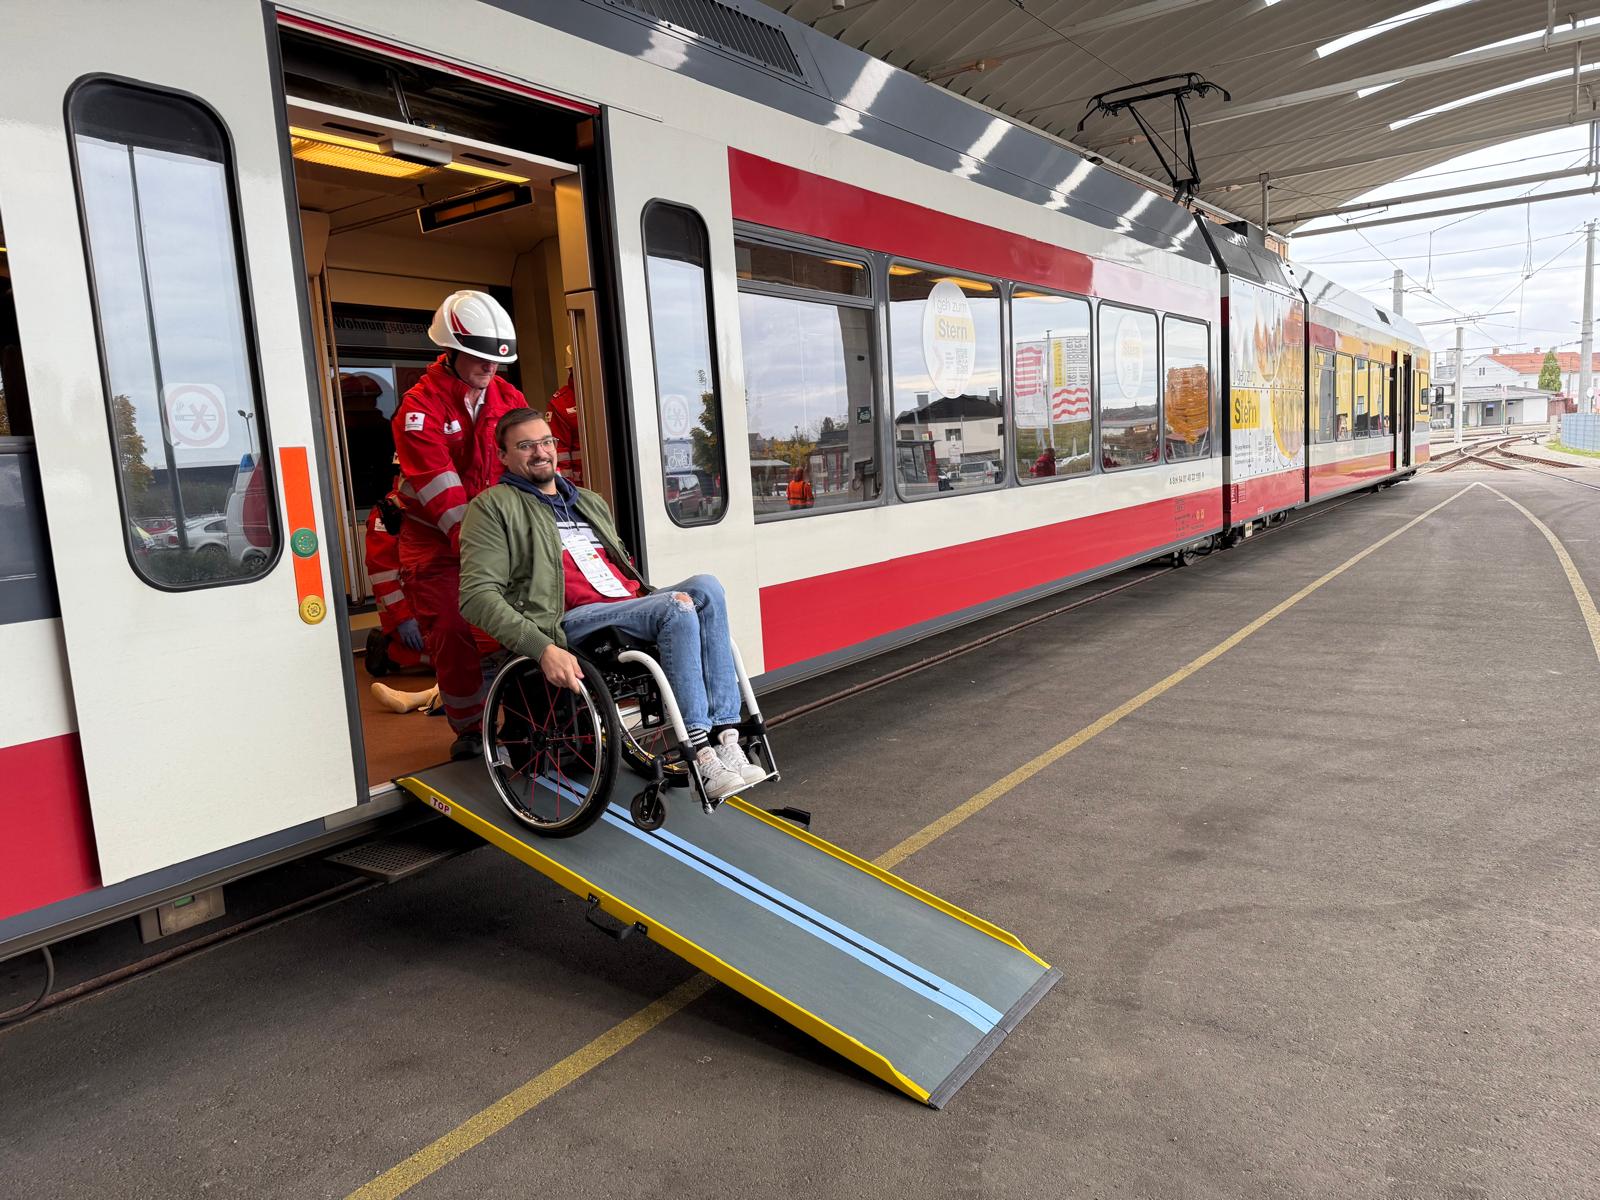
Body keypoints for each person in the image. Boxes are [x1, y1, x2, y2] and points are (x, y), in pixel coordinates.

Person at [459, 408, 766, 801]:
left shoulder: (588, 501)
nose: (541, 452)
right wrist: (541, 646)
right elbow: (476, 596)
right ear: (503, 455)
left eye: (546, 441)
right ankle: (701, 755)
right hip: (570, 620)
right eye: (526, 446)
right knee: (676, 607)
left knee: (707, 587)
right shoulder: (492, 507)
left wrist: (648, 598)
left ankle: (727, 737)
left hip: (626, 607)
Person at [393, 290, 526, 760]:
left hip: (495, 536)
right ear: (451, 351)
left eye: (498, 361)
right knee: (451, 632)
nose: (491, 368)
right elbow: (444, 495)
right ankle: (471, 731)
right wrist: (488, 546)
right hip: (434, 544)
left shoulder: (509, 398)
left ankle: (526, 723)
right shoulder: (419, 408)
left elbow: (526, 463)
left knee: (526, 622)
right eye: (481, 358)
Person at [362, 479, 428, 677]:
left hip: (431, 602)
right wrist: (403, 619)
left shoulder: (434, 504)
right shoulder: (388, 513)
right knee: (455, 660)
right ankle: (390, 650)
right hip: (405, 612)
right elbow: (382, 574)